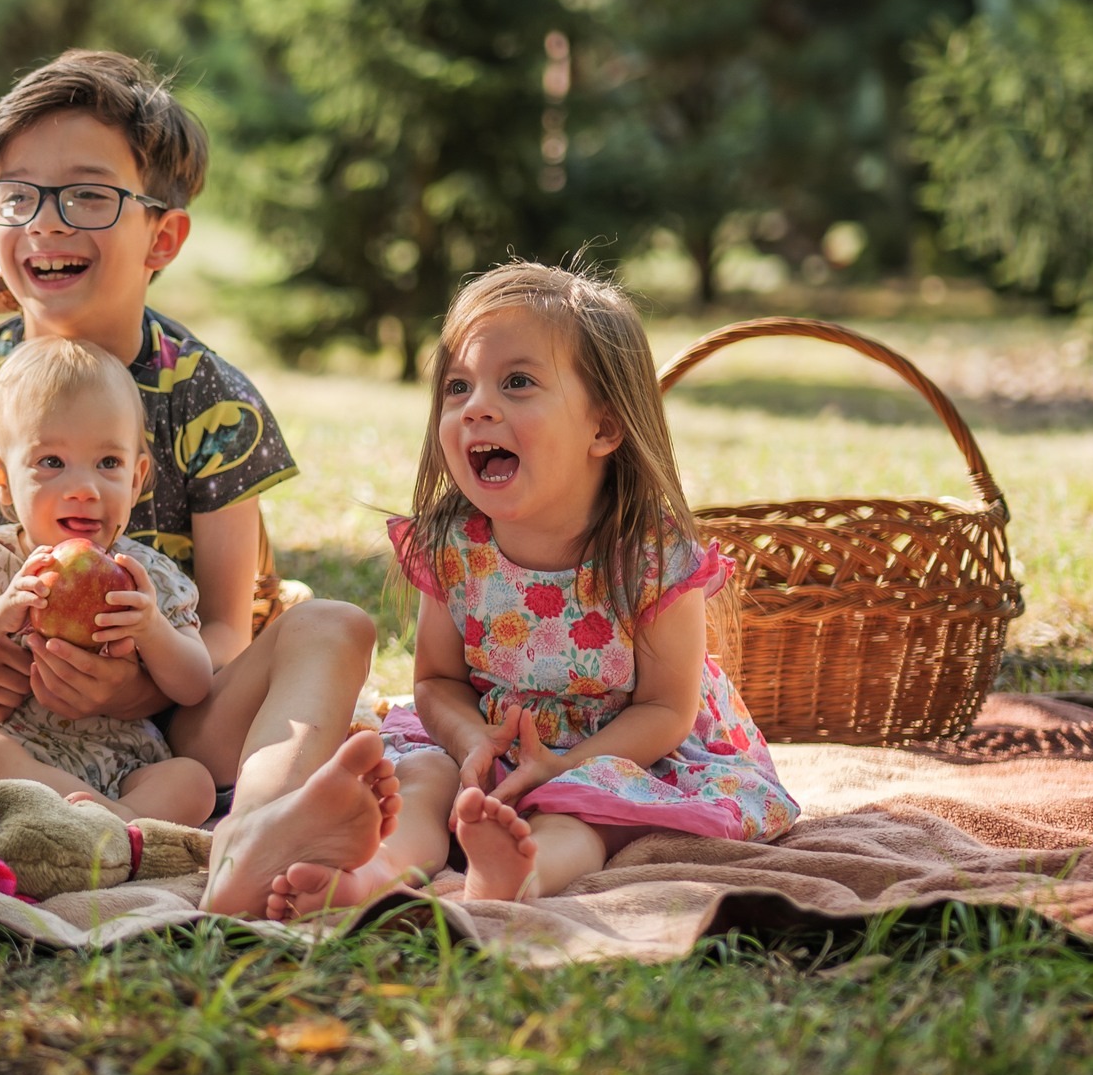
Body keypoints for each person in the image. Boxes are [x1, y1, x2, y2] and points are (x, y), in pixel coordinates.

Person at [0, 50, 397, 918]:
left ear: (163, 235)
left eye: (86, 194)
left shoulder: (207, 399)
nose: (45, 221)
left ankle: (257, 830)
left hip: (165, 736)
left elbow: (227, 624)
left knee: (334, 626)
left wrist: (140, 682)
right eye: (16, 194)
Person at [267, 262, 800, 917]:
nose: (476, 406)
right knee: (423, 780)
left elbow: (665, 710)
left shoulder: (652, 559)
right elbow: (436, 682)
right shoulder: (454, 548)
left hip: (622, 749)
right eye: (457, 387)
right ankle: (373, 871)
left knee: (581, 813)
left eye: (517, 382)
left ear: (602, 429)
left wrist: (563, 766)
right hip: (485, 740)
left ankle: (518, 874)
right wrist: (468, 744)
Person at [0, 337, 216, 828]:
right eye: (51, 463)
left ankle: (97, 831)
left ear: (136, 478)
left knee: (192, 781)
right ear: (1, 480)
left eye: (109, 464)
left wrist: (152, 629)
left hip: (119, 764)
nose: (85, 489)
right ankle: (118, 830)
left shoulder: (146, 578)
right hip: (10, 763)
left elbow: (195, 685)